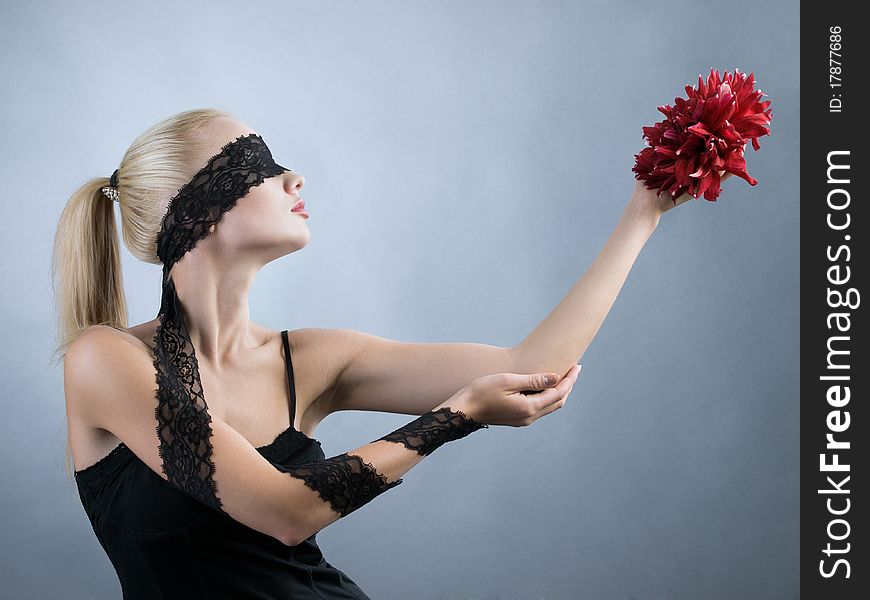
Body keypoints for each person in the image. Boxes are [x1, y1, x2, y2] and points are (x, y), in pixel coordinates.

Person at [50, 107, 721, 599]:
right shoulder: (105, 362)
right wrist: (452, 419)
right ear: (186, 210)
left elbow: (529, 364)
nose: (293, 178)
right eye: (257, 165)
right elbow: (286, 512)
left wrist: (645, 212)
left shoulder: (311, 361)